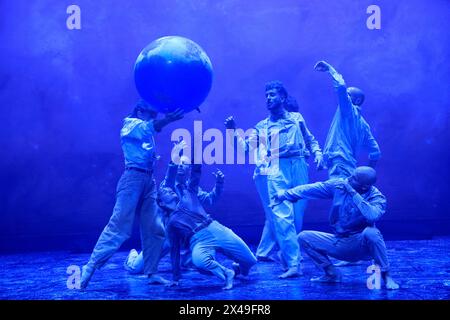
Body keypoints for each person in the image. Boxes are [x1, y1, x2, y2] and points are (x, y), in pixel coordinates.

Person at [79, 99, 184, 288]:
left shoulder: (145, 128)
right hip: (132, 179)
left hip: (148, 181)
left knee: (155, 228)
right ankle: (91, 266)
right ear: (140, 111)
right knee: (119, 225)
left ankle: (151, 272)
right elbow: (147, 128)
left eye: (155, 115)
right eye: (151, 114)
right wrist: (166, 120)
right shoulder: (130, 124)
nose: (153, 117)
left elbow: (150, 132)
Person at [224, 81, 322, 278]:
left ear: (283, 98)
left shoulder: (296, 118)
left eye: (272, 95)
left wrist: (317, 153)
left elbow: (309, 138)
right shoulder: (262, 126)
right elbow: (245, 149)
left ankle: (287, 256)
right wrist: (233, 131)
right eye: (266, 95)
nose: (268, 98)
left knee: (296, 217)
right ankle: (294, 264)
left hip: (299, 165)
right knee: (281, 217)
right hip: (276, 168)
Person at [272, 166, 399, 290]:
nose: (348, 179)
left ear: (365, 186)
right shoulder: (340, 185)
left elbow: (371, 215)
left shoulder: (377, 197)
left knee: (372, 233)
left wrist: (352, 192)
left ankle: (387, 276)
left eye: (354, 178)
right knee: (304, 237)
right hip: (340, 242)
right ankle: (331, 274)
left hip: (361, 245)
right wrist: (285, 195)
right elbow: (312, 188)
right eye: (351, 175)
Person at [124, 144, 225, 274]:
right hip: (165, 237)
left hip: (187, 236)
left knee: (202, 259)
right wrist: (176, 155)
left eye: (186, 164)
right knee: (137, 269)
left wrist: (219, 184)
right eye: (180, 163)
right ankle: (132, 257)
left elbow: (211, 199)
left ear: (189, 170)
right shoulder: (168, 186)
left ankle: (188, 259)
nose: (182, 166)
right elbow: (170, 174)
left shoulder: (192, 191)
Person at [159, 162, 257, 290]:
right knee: (199, 262)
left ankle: (239, 269)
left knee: (250, 260)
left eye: (185, 164)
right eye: (165, 191)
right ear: (161, 202)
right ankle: (227, 272)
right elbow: (174, 251)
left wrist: (196, 152)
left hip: (215, 228)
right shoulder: (171, 223)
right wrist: (176, 278)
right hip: (198, 240)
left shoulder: (189, 192)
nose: (169, 190)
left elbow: (196, 173)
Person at [253, 95, 307, 262]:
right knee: (277, 214)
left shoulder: (294, 122)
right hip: (267, 173)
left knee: (278, 215)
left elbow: (303, 142)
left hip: (282, 169)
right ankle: (288, 253)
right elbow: (260, 153)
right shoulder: (266, 128)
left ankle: (271, 251)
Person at [314, 60, 381, 179]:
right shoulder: (364, 125)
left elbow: (340, 87)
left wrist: (330, 69)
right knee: (344, 195)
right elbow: (375, 152)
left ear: (357, 101)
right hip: (349, 166)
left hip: (339, 163)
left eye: (348, 95)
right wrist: (367, 175)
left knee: (340, 195)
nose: (345, 97)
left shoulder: (348, 110)